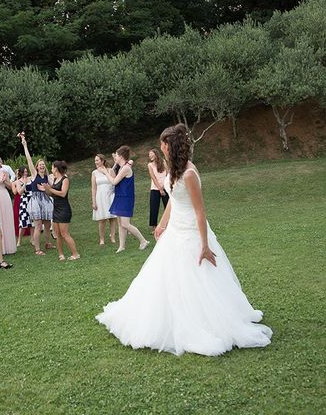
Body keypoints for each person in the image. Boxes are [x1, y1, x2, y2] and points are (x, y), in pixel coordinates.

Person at [96, 124, 272, 356]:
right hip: (174, 230)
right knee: (166, 275)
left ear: (171, 147)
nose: (160, 148)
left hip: (192, 231)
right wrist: (162, 224)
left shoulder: (189, 173)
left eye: (163, 145)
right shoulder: (173, 171)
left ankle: (205, 320)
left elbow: (200, 212)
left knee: (197, 277)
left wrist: (205, 245)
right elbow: (173, 201)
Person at [98, 146, 149, 253]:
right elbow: (112, 173)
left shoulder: (126, 168)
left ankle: (143, 241)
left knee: (125, 224)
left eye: (116, 155)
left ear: (121, 156)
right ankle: (122, 246)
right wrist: (115, 164)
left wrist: (105, 172)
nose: (115, 157)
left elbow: (114, 181)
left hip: (126, 198)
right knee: (121, 223)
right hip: (120, 197)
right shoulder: (121, 167)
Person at [18, 132, 54, 256]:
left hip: (46, 200)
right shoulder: (34, 175)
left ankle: (48, 243)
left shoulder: (48, 178)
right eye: (40, 165)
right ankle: (37, 249)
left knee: (48, 224)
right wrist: (25, 145)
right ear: (37, 167)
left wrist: (46, 189)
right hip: (36, 201)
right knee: (38, 225)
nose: (42, 166)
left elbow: (51, 190)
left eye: (43, 165)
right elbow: (28, 159)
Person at [38, 160, 80, 261]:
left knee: (64, 233)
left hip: (64, 209)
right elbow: (52, 194)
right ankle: (61, 254)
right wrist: (45, 189)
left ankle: (75, 254)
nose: (51, 169)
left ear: (56, 168)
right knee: (57, 234)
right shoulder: (56, 179)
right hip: (56, 209)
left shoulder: (65, 179)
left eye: (52, 167)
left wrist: (50, 189)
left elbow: (62, 193)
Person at [91, 154, 117, 246]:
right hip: (100, 197)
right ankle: (101, 239)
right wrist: (94, 201)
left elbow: (115, 183)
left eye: (97, 160)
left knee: (112, 218)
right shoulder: (94, 173)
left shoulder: (110, 171)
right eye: (95, 160)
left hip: (110, 196)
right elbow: (93, 188)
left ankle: (113, 237)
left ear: (102, 161)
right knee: (102, 219)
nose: (96, 162)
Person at [147, 148, 170, 231]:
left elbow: (168, 173)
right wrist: (160, 188)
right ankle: (154, 227)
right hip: (155, 188)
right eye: (149, 154)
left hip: (165, 187)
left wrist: (164, 186)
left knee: (167, 206)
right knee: (154, 207)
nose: (150, 155)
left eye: (151, 153)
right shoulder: (150, 165)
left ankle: (168, 225)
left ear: (156, 154)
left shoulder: (163, 162)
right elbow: (153, 177)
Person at [12, 166, 31, 247]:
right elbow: (16, 192)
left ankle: (32, 238)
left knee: (32, 220)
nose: (25, 173)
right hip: (20, 201)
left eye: (26, 171)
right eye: (24, 172)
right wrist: (19, 180)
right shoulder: (16, 182)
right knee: (22, 220)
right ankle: (19, 239)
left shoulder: (30, 179)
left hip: (30, 200)